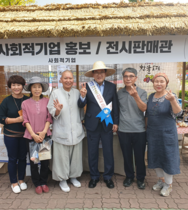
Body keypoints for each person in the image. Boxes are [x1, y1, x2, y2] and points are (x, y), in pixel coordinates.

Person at [78, 61, 119, 189]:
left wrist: (116, 122)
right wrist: (82, 96)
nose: (99, 74)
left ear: (105, 73)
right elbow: (80, 105)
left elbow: (116, 106)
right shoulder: (87, 86)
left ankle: (108, 177)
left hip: (107, 123)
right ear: (93, 74)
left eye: (101, 72)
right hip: (92, 124)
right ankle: (94, 177)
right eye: (96, 72)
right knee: (92, 152)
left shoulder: (112, 87)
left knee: (108, 152)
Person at [47, 70, 85, 193]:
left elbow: (81, 111)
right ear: (61, 80)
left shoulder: (77, 92)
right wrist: (57, 110)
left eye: (70, 78)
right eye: (65, 78)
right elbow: (51, 111)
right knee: (61, 158)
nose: (68, 80)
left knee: (76, 157)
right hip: (61, 131)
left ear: (73, 80)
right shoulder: (55, 93)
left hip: (77, 131)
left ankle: (74, 177)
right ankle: (62, 180)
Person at [146, 72, 182, 197]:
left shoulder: (171, 96)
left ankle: (168, 184)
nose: (159, 84)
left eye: (162, 81)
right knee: (155, 157)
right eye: (156, 81)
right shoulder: (151, 97)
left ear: (166, 83)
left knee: (168, 157)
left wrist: (172, 100)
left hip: (167, 134)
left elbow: (178, 112)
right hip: (153, 133)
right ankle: (161, 181)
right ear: (153, 83)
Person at [0, 75, 29, 194]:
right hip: (10, 135)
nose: (16, 87)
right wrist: (17, 120)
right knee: (12, 159)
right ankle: (14, 182)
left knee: (23, 158)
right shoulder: (6, 101)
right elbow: (0, 119)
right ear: (10, 87)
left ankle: (21, 180)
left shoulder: (27, 100)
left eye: (19, 85)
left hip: (25, 134)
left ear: (23, 86)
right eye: (13, 85)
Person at [117, 68, 147, 189]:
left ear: (135, 78)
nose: (128, 78)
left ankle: (140, 178)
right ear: (123, 78)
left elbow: (144, 108)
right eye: (125, 76)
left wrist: (136, 96)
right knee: (126, 155)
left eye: (131, 76)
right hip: (123, 129)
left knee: (139, 156)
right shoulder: (119, 93)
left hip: (139, 130)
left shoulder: (142, 92)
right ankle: (129, 176)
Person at [22, 76, 53, 195]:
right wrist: (33, 135)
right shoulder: (25, 103)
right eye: (34, 87)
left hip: (45, 136)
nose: (37, 89)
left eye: (39, 87)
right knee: (34, 161)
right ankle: (37, 183)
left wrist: (44, 132)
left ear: (42, 89)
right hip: (31, 137)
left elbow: (49, 118)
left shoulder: (47, 101)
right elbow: (26, 121)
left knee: (45, 161)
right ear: (30, 89)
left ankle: (44, 181)